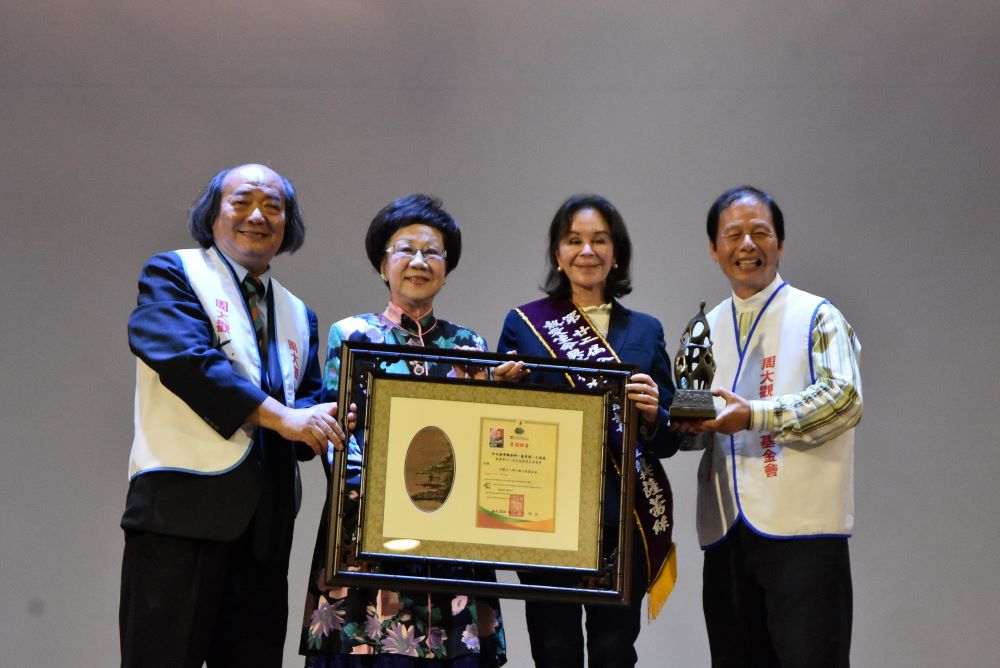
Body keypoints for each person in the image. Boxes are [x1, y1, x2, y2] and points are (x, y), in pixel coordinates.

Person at [120, 164, 352, 667]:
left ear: (288, 224)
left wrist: (331, 420)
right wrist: (285, 418)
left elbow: (303, 409)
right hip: (181, 515)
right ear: (212, 214)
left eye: (273, 207)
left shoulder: (298, 313)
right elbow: (186, 360)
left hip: (266, 531)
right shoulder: (174, 273)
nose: (258, 216)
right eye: (242, 201)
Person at [300, 194, 507, 667]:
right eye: (405, 250)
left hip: (452, 537)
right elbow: (337, 434)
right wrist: (379, 498)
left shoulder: (470, 345)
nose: (419, 261)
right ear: (383, 265)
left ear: (447, 269)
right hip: (369, 532)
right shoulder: (352, 335)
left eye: (432, 252)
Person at [673, 186, 863, 667]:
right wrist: (674, 422)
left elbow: (844, 400)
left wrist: (755, 414)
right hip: (727, 533)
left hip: (804, 535)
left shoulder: (817, 315)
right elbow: (697, 427)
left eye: (760, 233)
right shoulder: (704, 327)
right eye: (733, 234)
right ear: (713, 248)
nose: (747, 245)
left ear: (780, 243)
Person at [494, 194, 679, 668]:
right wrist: (499, 392)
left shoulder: (646, 330)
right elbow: (501, 427)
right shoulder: (524, 324)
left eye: (599, 240)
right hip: (544, 516)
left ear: (616, 253)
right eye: (574, 240)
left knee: (613, 652)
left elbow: (669, 438)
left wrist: (655, 415)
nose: (587, 251)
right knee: (553, 651)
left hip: (621, 515)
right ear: (558, 253)